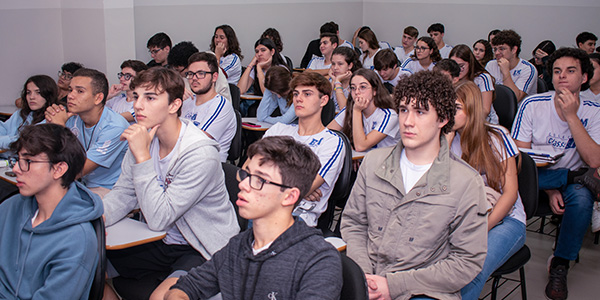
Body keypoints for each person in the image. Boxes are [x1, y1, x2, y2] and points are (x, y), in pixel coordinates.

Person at [341, 70, 487, 300]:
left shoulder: (465, 182)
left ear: (442, 119)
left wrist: (394, 285)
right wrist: (364, 277)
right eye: (403, 110)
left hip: (423, 291)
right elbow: (354, 223)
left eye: (420, 112)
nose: (407, 121)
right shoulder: (374, 163)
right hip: (367, 281)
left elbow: (465, 261)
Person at [102, 67, 238, 300]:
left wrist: (143, 157)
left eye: (150, 98)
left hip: (201, 246)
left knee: (161, 298)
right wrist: (94, 217)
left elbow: (159, 218)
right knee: (86, 268)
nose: (137, 105)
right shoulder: (143, 137)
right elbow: (124, 193)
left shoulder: (199, 153)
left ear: (174, 105)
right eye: (136, 97)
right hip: (160, 241)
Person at [164, 136, 343, 300]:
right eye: (246, 174)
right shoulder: (239, 245)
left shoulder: (318, 261)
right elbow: (186, 287)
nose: (242, 184)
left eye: (260, 180)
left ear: (289, 196)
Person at [510, 48, 600, 300]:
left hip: (575, 180)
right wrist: (551, 188)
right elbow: (519, 160)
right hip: (537, 177)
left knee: (582, 198)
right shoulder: (532, 104)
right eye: (557, 71)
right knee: (579, 178)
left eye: (571, 71)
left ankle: (560, 264)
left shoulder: (594, 111)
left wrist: (572, 117)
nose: (562, 76)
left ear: (584, 77)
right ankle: (567, 180)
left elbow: (594, 159)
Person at [0, 123, 102, 300]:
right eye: (17, 160)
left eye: (28, 161)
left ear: (58, 169)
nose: (16, 169)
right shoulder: (12, 206)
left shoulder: (78, 240)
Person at [449, 81, 526, 300]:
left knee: (473, 269)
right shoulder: (447, 139)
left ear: (471, 110)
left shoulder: (496, 136)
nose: (448, 113)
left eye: (455, 108)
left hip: (506, 219)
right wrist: (443, 139)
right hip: (465, 217)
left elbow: (510, 194)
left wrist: (482, 229)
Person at [263, 72, 345, 227]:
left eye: (307, 94)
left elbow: (303, 189)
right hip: (262, 208)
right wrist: (296, 188)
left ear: (324, 100)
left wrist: (267, 180)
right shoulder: (278, 130)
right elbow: (246, 172)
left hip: (297, 219)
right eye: (296, 94)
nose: (298, 99)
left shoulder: (332, 142)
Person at [45, 68, 129, 197]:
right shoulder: (71, 116)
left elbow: (76, 171)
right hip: (80, 184)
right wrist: (49, 124)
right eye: (70, 90)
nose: (70, 96)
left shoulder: (115, 127)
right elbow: (34, 143)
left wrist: (59, 128)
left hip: (110, 190)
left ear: (98, 98)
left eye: (80, 91)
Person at [182, 52, 237, 162]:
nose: (194, 78)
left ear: (214, 77)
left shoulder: (221, 105)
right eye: (191, 74)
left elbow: (198, 142)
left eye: (201, 73)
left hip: (207, 165)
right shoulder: (186, 101)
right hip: (184, 160)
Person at [328, 69, 400, 152]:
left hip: (384, 162)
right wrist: (348, 147)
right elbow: (327, 134)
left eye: (363, 87)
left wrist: (357, 111)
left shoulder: (389, 115)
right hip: (361, 161)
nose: (357, 92)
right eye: (353, 88)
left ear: (375, 91)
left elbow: (361, 146)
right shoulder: (350, 108)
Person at [1, 75, 59, 149]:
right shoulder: (22, 113)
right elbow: (4, 128)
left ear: (48, 95)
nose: (31, 97)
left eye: (38, 92)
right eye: (28, 92)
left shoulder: (54, 116)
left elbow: (26, 141)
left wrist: (3, 141)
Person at [450, 44, 499, 124]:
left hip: (483, 123)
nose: (457, 70)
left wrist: (467, 123)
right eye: (454, 66)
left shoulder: (482, 78)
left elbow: (485, 110)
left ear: (470, 63)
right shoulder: (452, 78)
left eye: (461, 66)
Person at [486, 30, 537, 102]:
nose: (497, 53)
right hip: (496, 108)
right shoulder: (491, 65)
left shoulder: (528, 69)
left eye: (502, 49)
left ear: (514, 50)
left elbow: (515, 99)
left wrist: (506, 71)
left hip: (520, 110)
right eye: (495, 49)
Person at [106, 60, 148, 124]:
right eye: (121, 75)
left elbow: (118, 118)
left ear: (140, 78)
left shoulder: (144, 102)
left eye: (127, 76)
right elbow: (96, 112)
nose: (121, 79)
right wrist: (109, 95)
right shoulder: (117, 100)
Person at [328, 46, 362, 111]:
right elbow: (323, 103)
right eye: (333, 64)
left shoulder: (357, 84)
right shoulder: (332, 80)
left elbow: (343, 109)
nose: (335, 68)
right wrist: (333, 81)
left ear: (350, 65)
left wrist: (337, 82)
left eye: (340, 64)